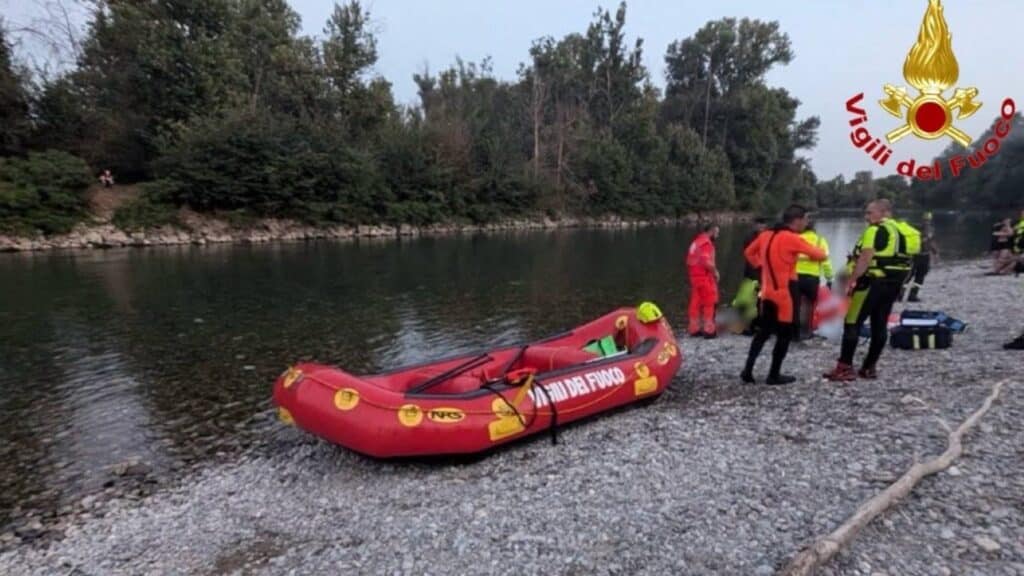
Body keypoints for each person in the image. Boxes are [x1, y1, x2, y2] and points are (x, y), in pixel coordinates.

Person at [740, 205, 827, 385]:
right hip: (785, 292)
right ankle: (774, 374)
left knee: (763, 332)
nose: (807, 222)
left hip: (767, 292)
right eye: (806, 219)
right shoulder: (792, 238)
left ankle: (747, 369)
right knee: (784, 335)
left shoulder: (765, 235)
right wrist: (804, 254)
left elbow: (748, 252)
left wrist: (760, 266)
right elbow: (820, 255)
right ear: (797, 220)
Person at [824, 199, 910, 381]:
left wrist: (851, 281)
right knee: (879, 323)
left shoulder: (874, 230)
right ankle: (869, 367)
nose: (866, 217)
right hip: (893, 284)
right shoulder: (902, 232)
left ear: (884, 212)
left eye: (870, 213)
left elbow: (864, 259)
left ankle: (845, 368)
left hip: (871, 283)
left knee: (852, 323)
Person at [794, 221, 833, 340]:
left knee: (795, 303)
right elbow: (826, 261)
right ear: (814, 229)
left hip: (795, 275)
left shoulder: (796, 238)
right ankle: (806, 331)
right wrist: (829, 277)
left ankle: (793, 330)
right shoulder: (820, 241)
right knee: (809, 304)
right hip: (812, 277)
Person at [731, 217, 769, 334]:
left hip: (762, 273)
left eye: (763, 226)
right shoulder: (750, 238)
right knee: (749, 300)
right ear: (755, 226)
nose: (761, 228)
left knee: (759, 299)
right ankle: (748, 325)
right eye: (759, 225)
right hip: (752, 273)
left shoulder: (766, 237)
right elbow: (749, 254)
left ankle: (757, 323)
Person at [687, 222, 720, 338]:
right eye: (716, 233)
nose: (717, 236)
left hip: (694, 277)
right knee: (709, 303)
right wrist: (715, 272)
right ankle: (709, 331)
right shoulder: (706, 243)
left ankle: (694, 329)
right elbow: (706, 261)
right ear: (711, 231)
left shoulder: (696, 242)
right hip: (704, 277)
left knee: (695, 304)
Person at [906, 212, 938, 302]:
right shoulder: (915, 228)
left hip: (925, 255)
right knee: (909, 275)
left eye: (928, 220)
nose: (927, 222)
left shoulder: (931, 230)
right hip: (915, 255)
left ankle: (913, 295)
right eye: (925, 220)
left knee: (920, 276)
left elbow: (931, 242)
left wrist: (935, 253)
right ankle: (900, 294)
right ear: (923, 219)